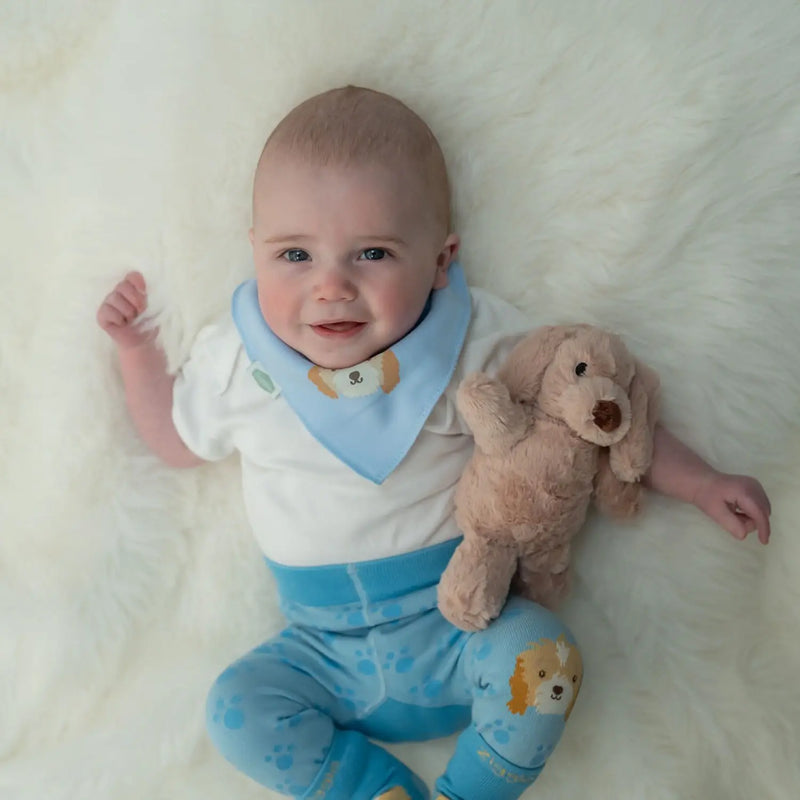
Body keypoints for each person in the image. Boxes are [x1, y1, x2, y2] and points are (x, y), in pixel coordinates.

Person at [96, 86, 771, 800]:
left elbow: (591, 418)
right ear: (255, 251)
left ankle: (471, 791)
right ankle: (371, 790)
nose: (331, 287)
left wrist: (700, 481)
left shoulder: (473, 343)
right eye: (295, 253)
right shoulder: (239, 360)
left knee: (549, 657)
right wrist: (138, 352)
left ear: (441, 259)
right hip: (321, 655)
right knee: (235, 711)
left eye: (373, 254)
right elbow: (174, 439)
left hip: (463, 620)